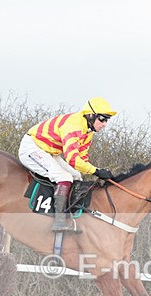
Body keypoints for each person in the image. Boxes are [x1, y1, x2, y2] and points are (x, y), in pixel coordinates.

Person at [19, 97, 117, 231]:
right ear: (90, 115)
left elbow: (82, 159)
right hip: (33, 148)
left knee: (76, 176)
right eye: (102, 119)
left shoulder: (88, 131)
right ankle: (59, 221)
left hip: (50, 152)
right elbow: (73, 159)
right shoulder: (73, 126)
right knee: (64, 177)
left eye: (107, 120)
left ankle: (69, 215)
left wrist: (98, 171)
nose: (105, 123)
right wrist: (96, 171)